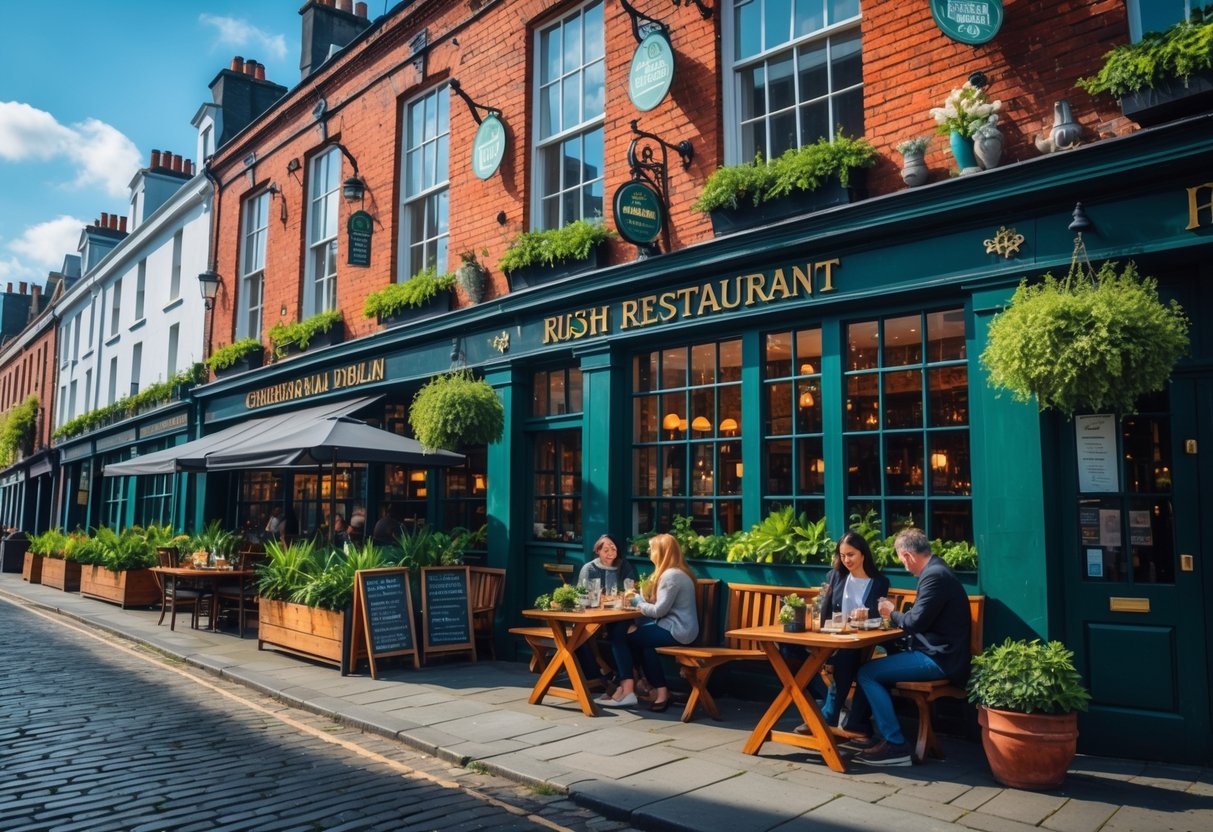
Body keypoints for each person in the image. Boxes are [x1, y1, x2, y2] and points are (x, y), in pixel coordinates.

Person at [848, 528, 972, 767]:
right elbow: (918, 618)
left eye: (901, 560)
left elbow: (914, 622)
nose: (904, 567)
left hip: (939, 660)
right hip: (935, 653)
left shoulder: (934, 576)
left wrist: (890, 612)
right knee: (869, 668)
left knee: (867, 673)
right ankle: (859, 728)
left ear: (907, 556)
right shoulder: (937, 570)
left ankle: (895, 745)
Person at [797, 531, 890, 736]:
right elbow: (823, 610)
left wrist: (865, 616)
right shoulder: (835, 576)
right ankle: (844, 718)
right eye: (842, 555)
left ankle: (828, 716)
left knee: (848, 657)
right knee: (792, 652)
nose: (846, 560)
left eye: (851, 554)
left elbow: (880, 615)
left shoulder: (879, 582)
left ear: (863, 554)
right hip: (834, 640)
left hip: (868, 645)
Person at [599, 533, 698, 712]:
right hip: (671, 627)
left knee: (619, 637)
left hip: (678, 630)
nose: (649, 553)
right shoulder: (672, 573)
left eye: (652, 550)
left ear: (662, 552)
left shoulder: (671, 576)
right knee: (641, 643)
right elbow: (657, 605)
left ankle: (627, 688)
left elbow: (659, 611)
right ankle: (657, 691)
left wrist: (637, 600)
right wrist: (642, 594)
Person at [575, 534, 638, 693]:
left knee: (624, 631)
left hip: (618, 613)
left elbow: (630, 591)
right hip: (593, 614)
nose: (610, 552)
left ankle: (623, 676)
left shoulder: (624, 566)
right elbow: (583, 594)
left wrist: (621, 595)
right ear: (597, 551)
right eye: (606, 549)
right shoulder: (589, 568)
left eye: (613, 549)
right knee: (582, 633)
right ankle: (594, 676)